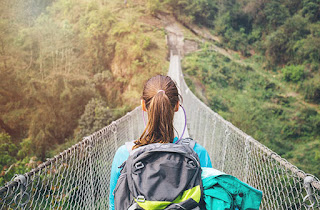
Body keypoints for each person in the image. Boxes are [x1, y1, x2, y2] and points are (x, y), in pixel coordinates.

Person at [108, 75, 212, 210]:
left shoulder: (125, 154)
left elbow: (113, 203)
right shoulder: (198, 153)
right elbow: (210, 202)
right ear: (176, 106)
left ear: (143, 105)